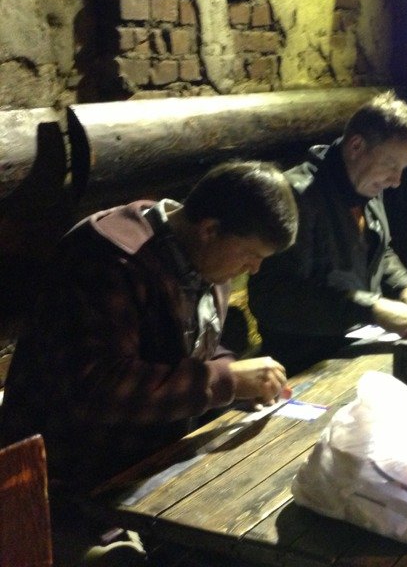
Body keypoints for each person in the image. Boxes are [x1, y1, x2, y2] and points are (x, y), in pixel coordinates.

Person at [0, 160, 299, 564]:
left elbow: (193, 349)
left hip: (147, 463)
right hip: (71, 480)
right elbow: (100, 389)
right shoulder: (109, 259)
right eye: (250, 254)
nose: (255, 269)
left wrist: (243, 378)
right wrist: (226, 379)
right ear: (210, 229)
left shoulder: (200, 255)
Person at [248, 91, 407, 374]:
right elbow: (273, 298)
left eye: (403, 169)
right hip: (303, 361)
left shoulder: (365, 183)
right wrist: (372, 309)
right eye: (391, 165)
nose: (396, 181)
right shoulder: (295, 196)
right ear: (356, 146)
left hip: (355, 344)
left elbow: (378, 251)